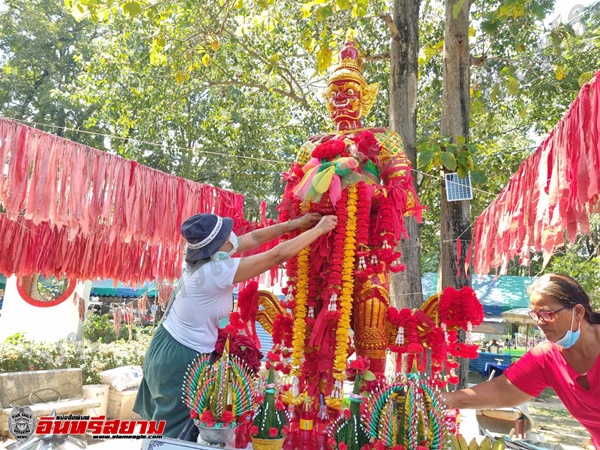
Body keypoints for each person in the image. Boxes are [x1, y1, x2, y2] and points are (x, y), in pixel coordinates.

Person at [277, 38, 422, 402]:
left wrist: (366, 196)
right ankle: (310, 413)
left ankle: (368, 411)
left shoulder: (384, 139)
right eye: (335, 92)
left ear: (365, 97)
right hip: (317, 256)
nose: (341, 99)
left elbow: (403, 192)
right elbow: (292, 196)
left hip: (366, 252)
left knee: (371, 319)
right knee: (312, 332)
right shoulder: (311, 145)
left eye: (349, 91)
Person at [133, 212, 337, 438]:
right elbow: (276, 256)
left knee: (163, 427)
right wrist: (319, 230)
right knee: (173, 436)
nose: (234, 235)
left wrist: (295, 224)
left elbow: (255, 239)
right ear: (219, 244)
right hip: (180, 356)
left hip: (165, 346)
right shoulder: (216, 271)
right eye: (227, 233)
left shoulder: (206, 259)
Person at [442, 273, 600, 448]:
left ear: (578, 312)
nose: (540, 322)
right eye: (535, 315)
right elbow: (503, 390)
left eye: (547, 314)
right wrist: (447, 400)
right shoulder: (546, 357)